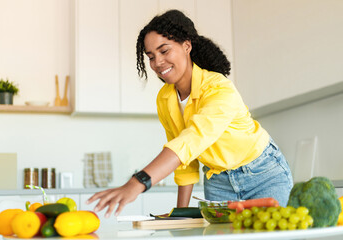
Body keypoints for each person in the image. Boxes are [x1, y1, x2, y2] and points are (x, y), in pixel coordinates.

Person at [87, 9, 293, 218]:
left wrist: (137, 183)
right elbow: (185, 160)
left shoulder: (219, 89)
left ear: (186, 46)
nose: (157, 62)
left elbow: (192, 140)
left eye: (164, 51)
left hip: (263, 173)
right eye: (151, 56)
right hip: (218, 181)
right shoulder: (165, 98)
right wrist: (179, 215)